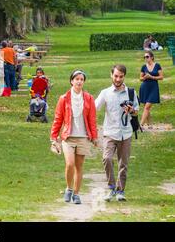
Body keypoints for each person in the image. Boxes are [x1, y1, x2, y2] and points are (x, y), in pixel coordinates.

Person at [50, 70, 98, 204]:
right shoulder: (64, 98)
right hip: (68, 137)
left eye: (81, 79)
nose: (79, 81)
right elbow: (58, 118)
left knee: (79, 166)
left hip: (83, 137)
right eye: (76, 79)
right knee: (70, 164)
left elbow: (92, 119)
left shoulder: (88, 98)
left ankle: (76, 194)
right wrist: (53, 137)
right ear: (71, 81)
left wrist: (94, 137)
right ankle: (69, 188)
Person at [95, 64, 139, 202]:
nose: (118, 79)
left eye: (121, 76)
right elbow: (94, 108)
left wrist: (131, 110)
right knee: (107, 159)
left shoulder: (131, 92)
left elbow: (136, 111)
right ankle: (112, 187)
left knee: (123, 164)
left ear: (124, 76)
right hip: (109, 132)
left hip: (126, 133)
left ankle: (120, 191)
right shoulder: (105, 93)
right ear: (111, 75)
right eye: (116, 76)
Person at [139, 51, 163, 128]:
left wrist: (152, 77)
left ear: (152, 57)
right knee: (146, 107)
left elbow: (161, 77)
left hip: (153, 88)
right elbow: (140, 78)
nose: (146, 58)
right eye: (144, 57)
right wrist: (144, 77)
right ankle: (150, 124)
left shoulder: (157, 65)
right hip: (144, 87)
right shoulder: (143, 66)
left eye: (147, 57)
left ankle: (140, 125)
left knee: (147, 106)